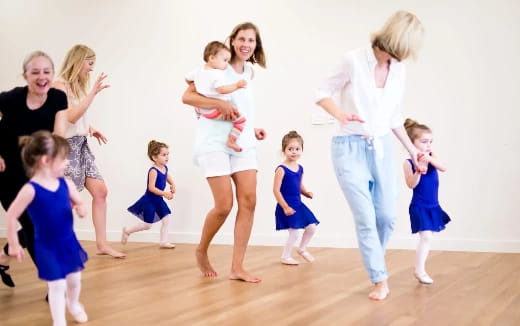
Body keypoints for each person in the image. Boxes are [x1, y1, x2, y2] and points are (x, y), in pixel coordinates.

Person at [315, 11, 425, 300]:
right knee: (365, 217)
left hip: (382, 148)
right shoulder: (353, 60)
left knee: (387, 217)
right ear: (395, 40)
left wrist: (413, 151)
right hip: (348, 147)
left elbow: (393, 116)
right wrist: (339, 113)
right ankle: (380, 278)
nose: (404, 57)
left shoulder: (399, 69)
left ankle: (375, 258)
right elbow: (321, 91)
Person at [182, 22, 267, 283]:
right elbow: (187, 97)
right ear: (232, 41)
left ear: (256, 45)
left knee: (249, 200)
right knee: (224, 205)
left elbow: (241, 107)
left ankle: (237, 267)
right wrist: (218, 102)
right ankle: (201, 249)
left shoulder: (250, 72)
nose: (246, 44)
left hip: (242, 141)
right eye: (241, 39)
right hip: (213, 142)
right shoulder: (216, 65)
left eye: (251, 41)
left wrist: (253, 128)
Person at [0, 51, 68, 288]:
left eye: (47, 72)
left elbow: (59, 133)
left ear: (52, 74)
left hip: (39, 174)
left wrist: (55, 162)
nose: (41, 77)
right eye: (35, 72)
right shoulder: (9, 99)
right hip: (8, 174)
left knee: (41, 223)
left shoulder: (58, 98)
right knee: (34, 224)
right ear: (25, 75)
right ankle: (54, 281)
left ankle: (2, 258)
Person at [7, 131, 89, 325]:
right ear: (45, 161)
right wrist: (13, 244)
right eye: (63, 159)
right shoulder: (30, 189)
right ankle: (58, 321)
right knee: (57, 284)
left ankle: (74, 304)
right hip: (46, 246)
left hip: (68, 242)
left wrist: (81, 208)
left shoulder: (66, 184)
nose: (67, 163)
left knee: (74, 280)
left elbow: (80, 202)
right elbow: (11, 215)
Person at [52, 44, 125, 258]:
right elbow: (70, 117)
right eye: (89, 64)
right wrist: (92, 93)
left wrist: (90, 129)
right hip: (66, 149)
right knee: (65, 201)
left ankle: (102, 244)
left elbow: (77, 118)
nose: (92, 69)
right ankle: (59, 245)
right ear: (78, 61)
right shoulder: (59, 86)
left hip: (81, 145)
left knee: (101, 191)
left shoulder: (77, 86)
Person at [403, 118, 450, 284]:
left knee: (428, 237)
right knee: (427, 237)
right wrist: (418, 171)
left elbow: (443, 167)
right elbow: (411, 184)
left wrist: (429, 160)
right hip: (419, 206)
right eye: (424, 142)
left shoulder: (432, 156)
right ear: (411, 143)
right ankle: (419, 270)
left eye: (430, 141)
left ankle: (419, 269)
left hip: (433, 205)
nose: (428, 145)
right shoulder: (408, 163)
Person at [186, 41, 247, 152]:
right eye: (224, 60)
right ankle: (232, 140)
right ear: (212, 58)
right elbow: (222, 90)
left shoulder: (198, 71)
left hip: (202, 109)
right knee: (241, 120)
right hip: (215, 111)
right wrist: (237, 85)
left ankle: (199, 115)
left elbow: (187, 79)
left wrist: (197, 85)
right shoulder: (217, 74)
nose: (226, 64)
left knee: (200, 99)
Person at [273, 131, 319, 265]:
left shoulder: (300, 168)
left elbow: (299, 185)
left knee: (311, 227)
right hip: (286, 205)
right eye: (290, 149)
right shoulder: (281, 169)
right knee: (294, 232)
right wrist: (285, 207)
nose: (294, 152)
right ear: (284, 150)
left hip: (298, 204)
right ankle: (285, 256)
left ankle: (302, 248)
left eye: (297, 149)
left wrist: (306, 192)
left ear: (302, 150)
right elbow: (275, 190)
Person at [122, 140, 176, 249]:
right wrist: (165, 194)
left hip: (158, 201)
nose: (167, 157)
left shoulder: (164, 167)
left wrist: (172, 184)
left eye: (167, 154)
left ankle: (163, 241)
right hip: (150, 200)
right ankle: (127, 231)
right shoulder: (153, 171)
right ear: (155, 157)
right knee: (147, 225)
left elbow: (167, 176)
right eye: (163, 155)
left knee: (166, 219)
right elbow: (151, 188)